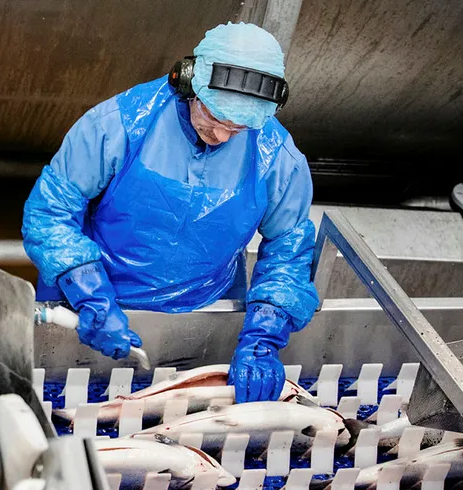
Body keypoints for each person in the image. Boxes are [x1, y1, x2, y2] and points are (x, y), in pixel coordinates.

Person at [21, 22, 318, 403]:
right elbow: (50, 212)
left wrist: (264, 336)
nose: (224, 135)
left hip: (207, 306)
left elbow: (288, 250)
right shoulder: (119, 124)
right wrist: (90, 294)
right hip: (92, 303)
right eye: (216, 117)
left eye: (239, 127)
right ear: (188, 83)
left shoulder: (279, 159)